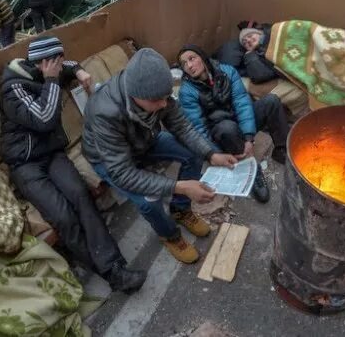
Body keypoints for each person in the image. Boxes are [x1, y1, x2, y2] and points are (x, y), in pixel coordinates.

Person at [0, 36, 146, 293]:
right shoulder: (13, 88)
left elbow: (71, 64)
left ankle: (114, 268)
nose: (62, 64)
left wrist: (77, 70)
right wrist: (53, 80)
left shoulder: (38, 69)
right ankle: (111, 274)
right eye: (58, 62)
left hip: (52, 154)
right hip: (25, 164)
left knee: (80, 196)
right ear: (45, 64)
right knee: (64, 216)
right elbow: (44, 118)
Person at [82, 48, 239, 264]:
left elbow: (182, 126)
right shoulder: (104, 112)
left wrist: (211, 154)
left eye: (166, 97)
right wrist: (180, 187)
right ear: (136, 95)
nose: (165, 104)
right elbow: (123, 173)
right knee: (149, 200)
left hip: (144, 140)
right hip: (110, 161)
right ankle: (170, 235)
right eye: (158, 100)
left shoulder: (158, 94)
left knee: (193, 155)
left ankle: (180, 210)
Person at [178, 45, 287, 203]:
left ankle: (282, 150)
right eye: (183, 64)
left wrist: (249, 137)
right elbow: (198, 128)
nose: (188, 65)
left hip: (240, 125)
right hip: (220, 135)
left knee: (272, 101)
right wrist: (214, 154)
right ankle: (251, 168)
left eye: (191, 58)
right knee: (227, 127)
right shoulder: (186, 91)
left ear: (202, 56)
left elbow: (241, 102)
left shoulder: (227, 72)